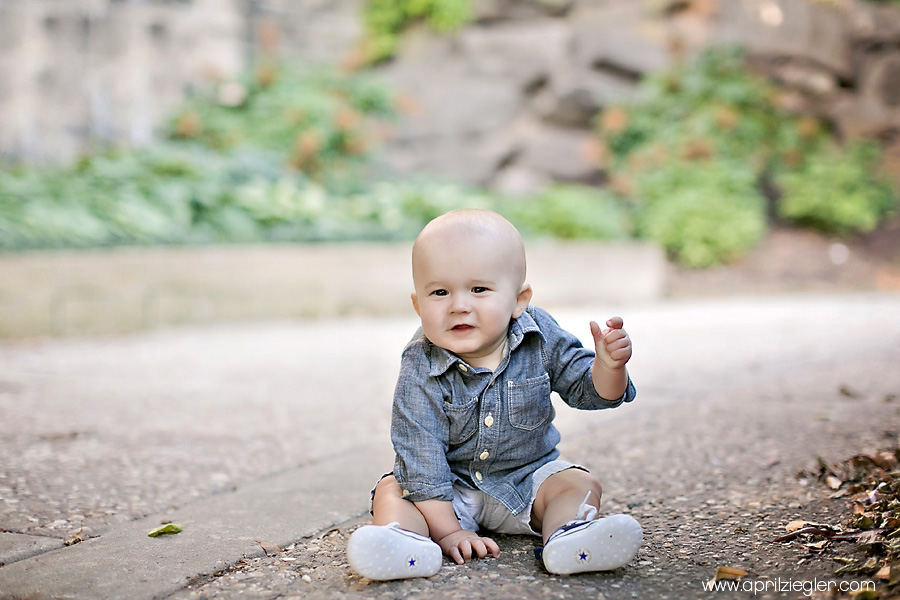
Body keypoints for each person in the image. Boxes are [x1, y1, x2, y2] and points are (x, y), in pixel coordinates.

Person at [347, 209, 641, 581]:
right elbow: (418, 450)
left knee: (579, 483)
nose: (459, 305)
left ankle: (569, 538)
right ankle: (403, 542)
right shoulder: (420, 362)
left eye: (479, 289)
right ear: (419, 306)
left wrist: (610, 368)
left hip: (527, 480)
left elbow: (591, 392)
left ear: (519, 300)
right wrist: (449, 531)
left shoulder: (540, 334)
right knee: (393, 489)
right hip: (447, 491)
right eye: (440, 292)